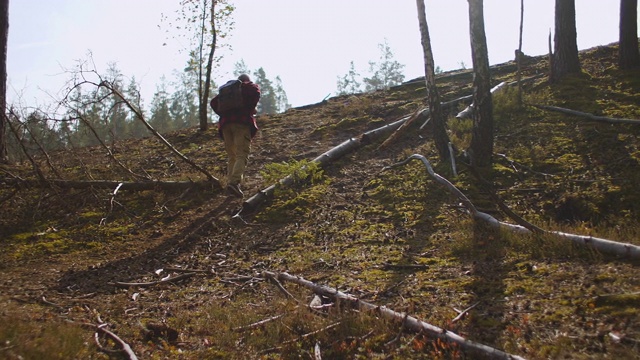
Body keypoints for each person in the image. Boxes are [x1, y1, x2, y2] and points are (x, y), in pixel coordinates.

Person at [210, 74, 261, 198]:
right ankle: (234, 183)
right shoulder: (247, 87)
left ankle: (230, 185)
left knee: (232, 156)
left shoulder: (227, 91)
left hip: (225, 125)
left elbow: (213, 102)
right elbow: (256, 91)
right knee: (241, 154)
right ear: (246, 80)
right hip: (241, 123)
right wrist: (250, 108)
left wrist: (224, 113)